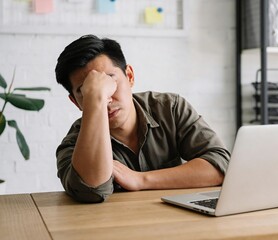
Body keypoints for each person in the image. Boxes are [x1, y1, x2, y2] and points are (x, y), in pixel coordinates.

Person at [55, 35, 230, 203]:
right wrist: (95, 100)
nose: (107, 99)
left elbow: (221, 165)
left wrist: (141, 180)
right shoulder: (74, 142)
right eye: (86, 91)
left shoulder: (170, 108)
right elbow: (90, 191)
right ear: (75, 102)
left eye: (108, 82)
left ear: (129, 76)